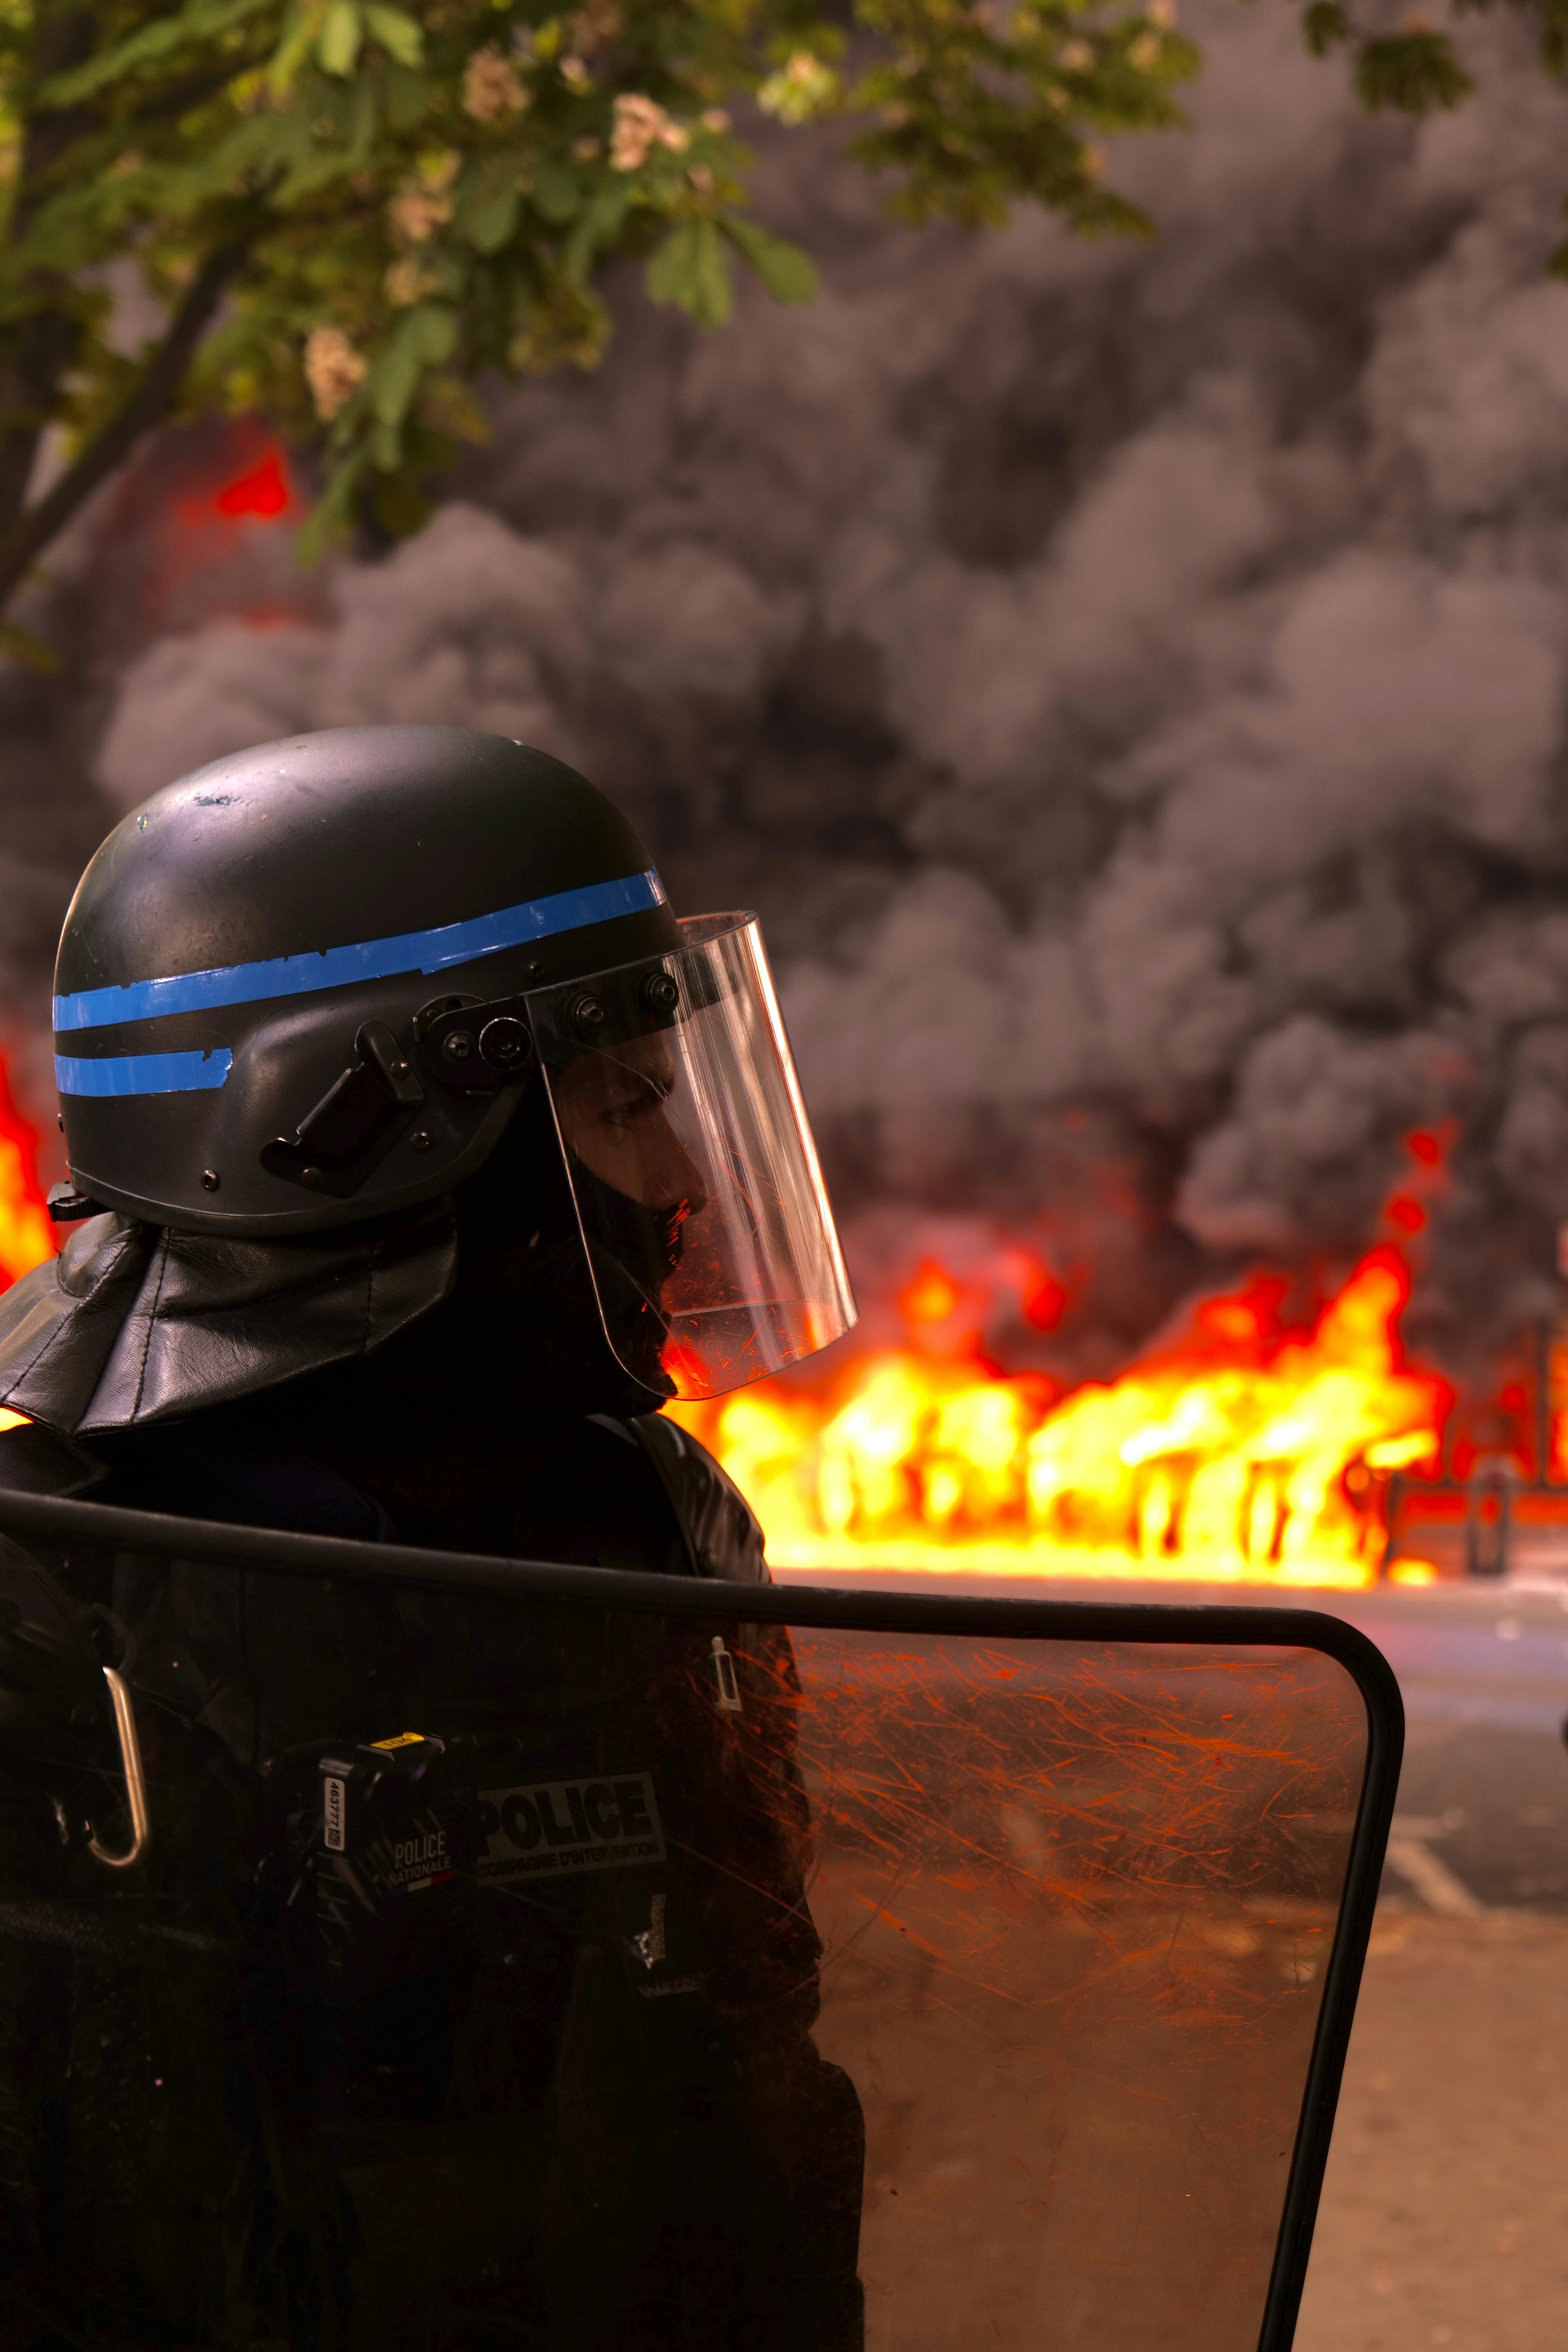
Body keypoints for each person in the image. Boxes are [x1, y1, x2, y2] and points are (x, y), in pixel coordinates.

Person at [0, 725, 864, 2350]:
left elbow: (755, 2100)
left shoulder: (648, 1527)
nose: (683, 1174)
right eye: (623, 1103)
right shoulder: (43, 1603)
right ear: (354, 1126)